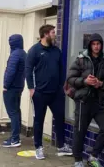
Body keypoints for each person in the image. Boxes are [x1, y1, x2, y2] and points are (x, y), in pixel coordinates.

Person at [67, 33, 104, 167]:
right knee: (80, 130)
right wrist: (85, 81)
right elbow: (70, 78)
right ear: (90, 45)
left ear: (101, 45)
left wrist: (101, 84)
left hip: (100, 101)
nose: (96, 47)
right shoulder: (81, 59)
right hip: (84, 100)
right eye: (94, 44)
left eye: (98, 44)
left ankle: (93, 156)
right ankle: (77, 160)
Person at [25, 24, 72, 160]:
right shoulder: (34, 50)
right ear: (45, 34)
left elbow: (61, 69)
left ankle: (61, 146)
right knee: (39, 120)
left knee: (59, 118)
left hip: (56, 92)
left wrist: (63, 85)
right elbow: (28, 70)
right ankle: (38, 147)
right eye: (52, 32)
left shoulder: (56, 51)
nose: (54, 35)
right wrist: (31, 89)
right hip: (39, 93)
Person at [2, 34, 27, 148]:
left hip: (11, 87)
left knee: (13, 113)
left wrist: (5, 85)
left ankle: (14, 139)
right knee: (16, 111)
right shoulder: (23, 53)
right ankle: (15, 137)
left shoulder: (15, 55)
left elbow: (10, 71)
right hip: (19, 86)